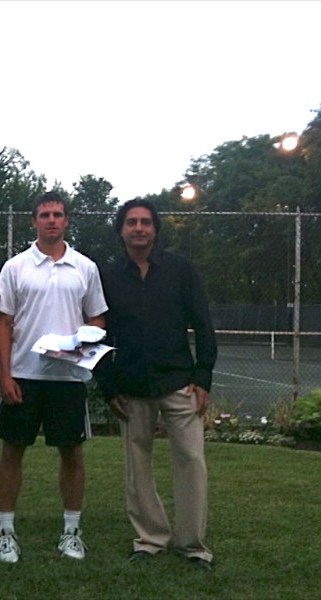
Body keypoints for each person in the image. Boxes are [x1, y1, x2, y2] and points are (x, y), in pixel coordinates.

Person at [93, 197, 218, 571]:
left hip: (179, 383)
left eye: (145, 222)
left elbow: (203, 323)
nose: (139, 228)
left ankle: (193, 545)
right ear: (121, 230)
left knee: (191, 461)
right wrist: (108, 385)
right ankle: (149, 539)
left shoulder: (180, 270)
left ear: (155, 229)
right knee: (138, 468)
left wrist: (203, 376)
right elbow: (97, 334)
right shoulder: (108, 276)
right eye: (131, 222)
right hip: (131, 387)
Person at [0, 191, 108, 563]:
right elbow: (3, 323)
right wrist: (5, 375)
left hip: (68, 379)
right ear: (34, 221)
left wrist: (83, 343)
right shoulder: (15, 267)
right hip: (24, 375)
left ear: (67, 220)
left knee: (72, 453)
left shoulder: (85, 267)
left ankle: (72, 532)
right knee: (12, 451)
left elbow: (98, 318)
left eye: (58, 214)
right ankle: (5, 532)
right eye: (44, 214)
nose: (51, 220)